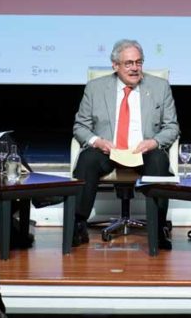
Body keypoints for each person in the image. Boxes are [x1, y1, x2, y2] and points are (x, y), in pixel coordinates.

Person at [72, 39, 180, 248]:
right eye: (129, 63)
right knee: (87, 159)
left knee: (158, 159)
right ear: (115, 65)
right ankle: (78, 224)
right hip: (108, 150)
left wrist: (153, 142)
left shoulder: (159, 87)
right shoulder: (95, 88)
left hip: (143, 149)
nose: (135, 68)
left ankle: (157, 230)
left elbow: (172, 127)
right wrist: (97, 141)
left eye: (139, 63)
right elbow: (80, 127)